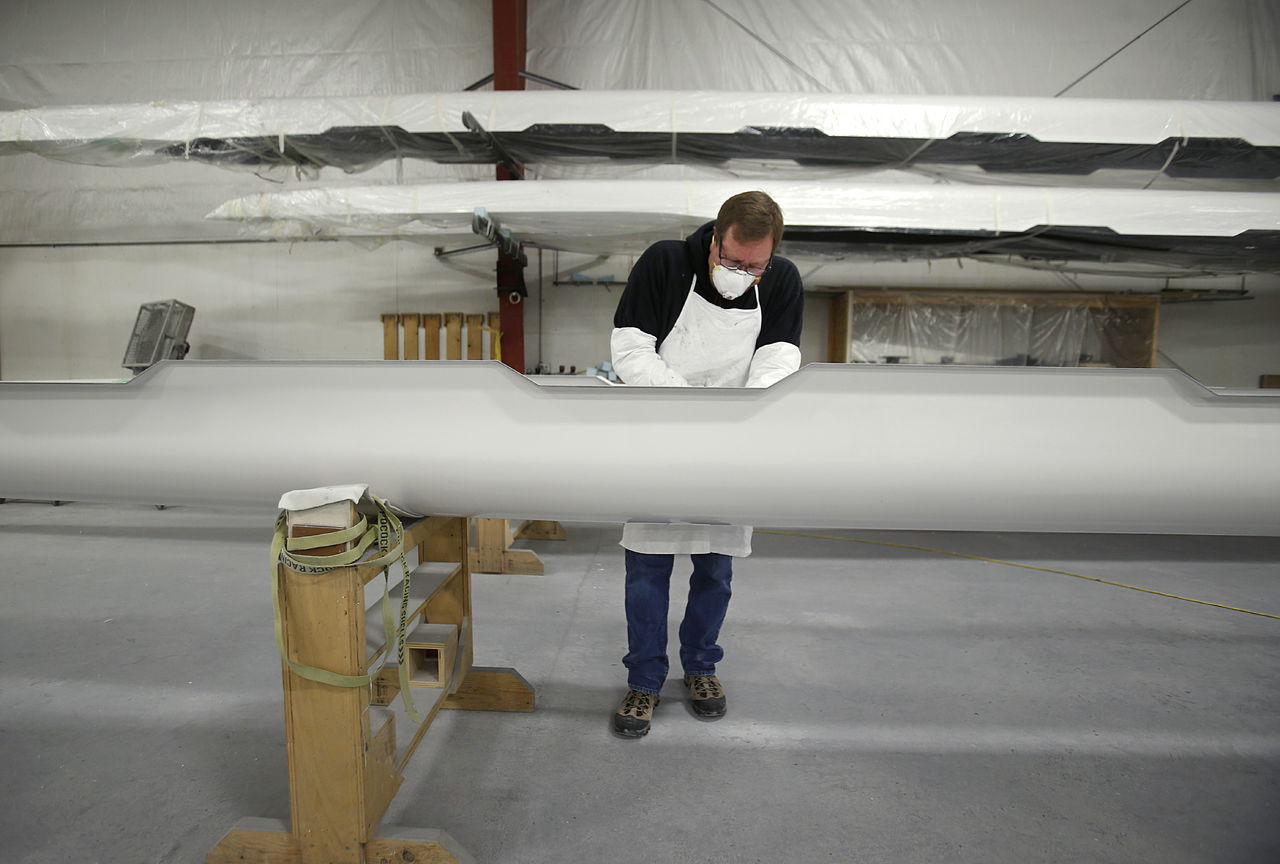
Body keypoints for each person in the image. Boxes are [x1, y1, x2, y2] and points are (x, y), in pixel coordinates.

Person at [608, 190, 804, 738]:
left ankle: (701, 669)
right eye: (733, 260)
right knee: (648, 565)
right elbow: (630, 352)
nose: (742, 273)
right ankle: (644, 679)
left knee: (715, 566)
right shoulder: (667, 263)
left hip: (731, 444)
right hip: (658, 438)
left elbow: (780, 356)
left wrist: (747, 407)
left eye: (755, 266)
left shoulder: (783, 280)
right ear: (715, 238)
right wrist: (690, 405)